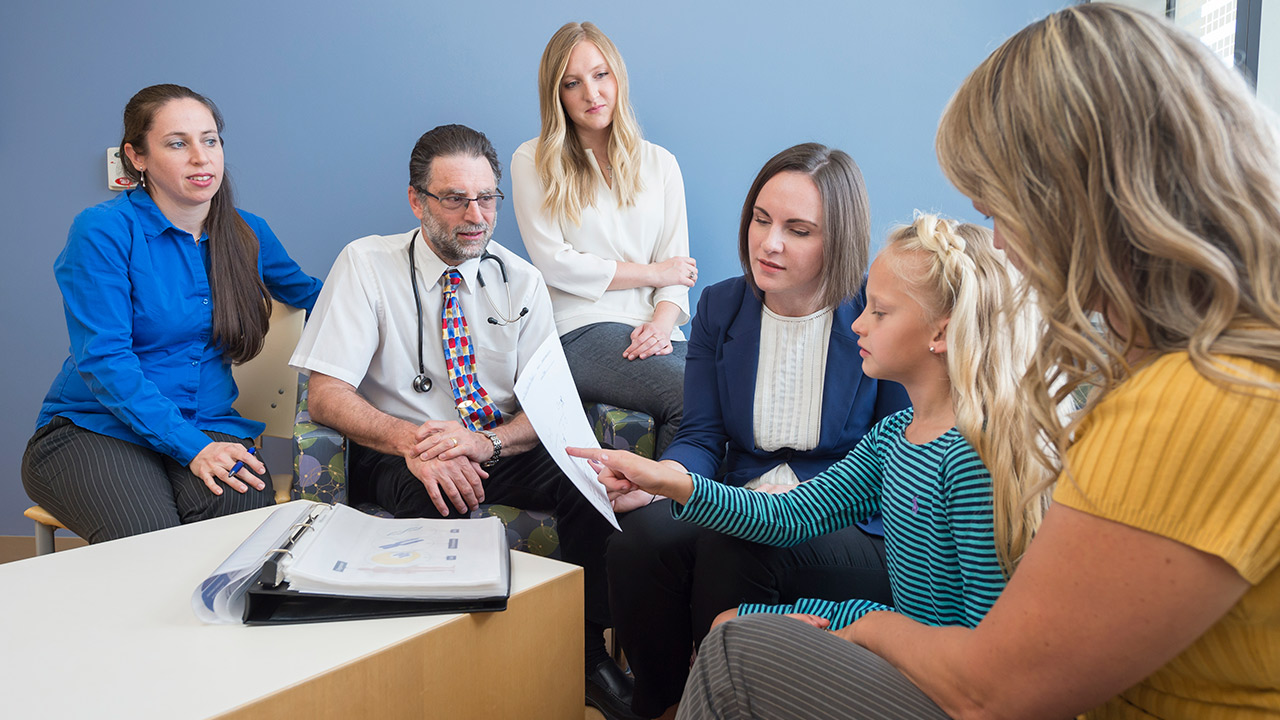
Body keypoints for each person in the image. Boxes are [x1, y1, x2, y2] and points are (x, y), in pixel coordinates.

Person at [673, 5, 1280, 719]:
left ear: (1082, 199)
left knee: (736, 658)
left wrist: (863, 627)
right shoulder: (1176, 377)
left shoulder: (1200, 401)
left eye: (999, 211)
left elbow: (990, 688)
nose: (1002, 248)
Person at [574, 212, 1047, 708]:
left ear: (942, 334)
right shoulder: (893, 438)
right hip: (907, 638)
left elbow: (982, 659)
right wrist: (670, 482)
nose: (858, 322)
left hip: (941, 679)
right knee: (728, 623)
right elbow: (787, 517)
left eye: (880, 313)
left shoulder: (972, 457)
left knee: (735, 643)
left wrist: (867, 629)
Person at [289, 124, 628, 718]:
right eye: (454, 198)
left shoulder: (520, 281)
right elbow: (326, 396)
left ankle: (583, 653)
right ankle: (444, 674)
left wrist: (484, 443)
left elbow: (544, 410)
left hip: (491, 443)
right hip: (398, 446)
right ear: (417, 200)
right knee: (439, 491)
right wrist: (416, 442)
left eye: (487, 197)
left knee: (590, 480)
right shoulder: (366, 264)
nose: (475, 215)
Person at [599, 143, 911, 719]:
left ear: (836, 240)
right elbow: (700, 434)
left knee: (734, 540)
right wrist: (670, 475)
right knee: (639, 544)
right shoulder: (722, 306)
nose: (769, 243)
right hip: (743, 486)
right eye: (761, 220)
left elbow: (900, 442)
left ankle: (720, 697)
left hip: (847, 514)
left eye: (798, 230)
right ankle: (660, 705)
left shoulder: (878, 311)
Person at [22, 84, 323, 543]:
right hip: (97, 428)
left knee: (241, 526)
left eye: (210, 140)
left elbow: (315, 295)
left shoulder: (247, 232)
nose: (201, 158)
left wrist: (403, 305)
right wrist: (192, 448)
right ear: (137, 157)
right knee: (151, 542)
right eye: (177, 143)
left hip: (209, 424)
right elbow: (104, 360)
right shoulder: (102, 230)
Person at [512, 21, 695, 456]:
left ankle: (695, 514)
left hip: (657, 326)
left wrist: (662, 325)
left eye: (600, 75)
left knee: (727, 391)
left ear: (618, 77)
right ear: (556, 94)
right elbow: (556, 263)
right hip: (579, 328)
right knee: (692, 395)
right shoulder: (532, 160)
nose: (592, 94)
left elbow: (678, 267)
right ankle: (660, 518)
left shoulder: (661, 164)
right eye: (572, 84)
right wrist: (652, 272)